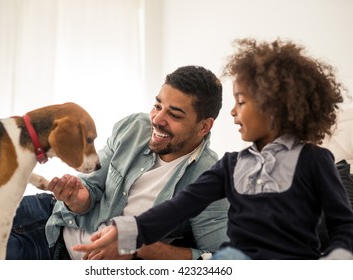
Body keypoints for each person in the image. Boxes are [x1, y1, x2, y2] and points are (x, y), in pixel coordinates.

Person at [73, 38, 353, 260]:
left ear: (274, 110)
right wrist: (126, 232)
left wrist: (335, 261)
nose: (231, 113)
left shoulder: (315, 161)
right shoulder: (231, 165)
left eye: (241, 102)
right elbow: (176, 208)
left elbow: (343, 225)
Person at [0, 65, 229, 260]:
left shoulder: (210, 180)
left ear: (204, 126)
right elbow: (93, 188)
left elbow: (216, 259)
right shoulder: (133, 127)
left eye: (174, 114)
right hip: (50, 212)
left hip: (53, 254)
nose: (157, 119)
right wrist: (80, 197)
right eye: (158, 105)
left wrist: (138, 245)